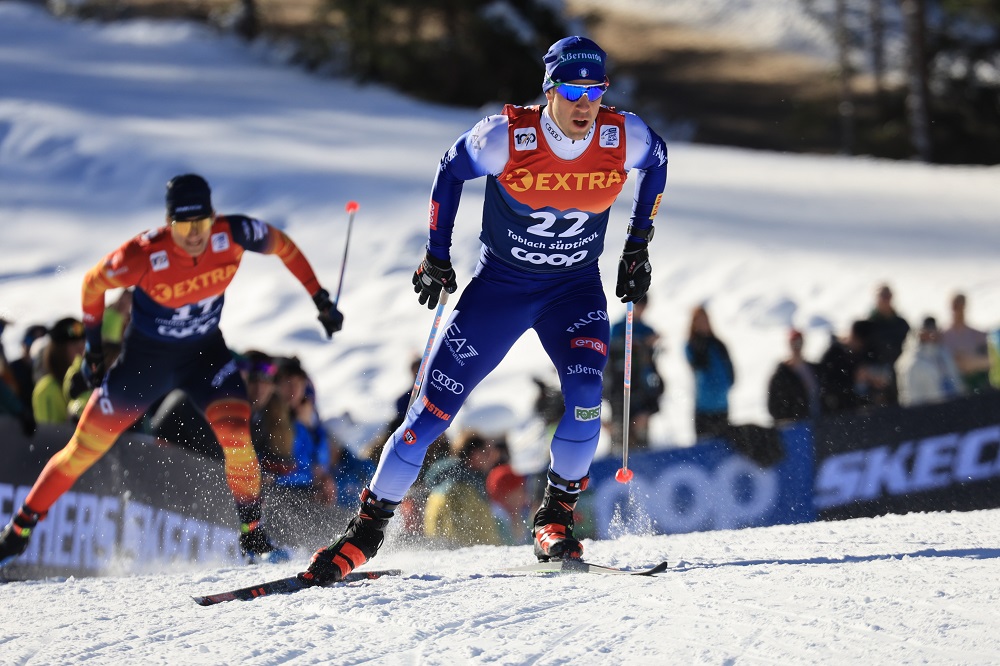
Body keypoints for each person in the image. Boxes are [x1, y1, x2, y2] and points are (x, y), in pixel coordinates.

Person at [302, 35, 668, 584]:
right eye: (572, 90)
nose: (584, 103)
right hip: (500, 290)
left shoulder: (623, 135)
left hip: (573, 291)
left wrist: (638, 243)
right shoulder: (507, 137)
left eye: (595, 91)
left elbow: (658, 160)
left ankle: (555, 517)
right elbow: (449, 172)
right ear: (549, 91)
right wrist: (435, 254)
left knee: (587, 396)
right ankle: (366, 529)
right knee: (429, 417)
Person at [0, 173, 344, 567]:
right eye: (183, 225)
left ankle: (253, 535)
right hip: (146, 364)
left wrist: (319, 298)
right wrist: (94, 350)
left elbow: (283, 246)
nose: (194, 234)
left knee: (237, 436)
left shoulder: (232, 233)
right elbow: (93, 285)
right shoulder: (144, 253)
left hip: (204, 357)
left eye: (201, 222)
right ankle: (18, 531)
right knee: (84, 448)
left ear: (213, 217)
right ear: (169, 224)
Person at [603, 297, 664, 452]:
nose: (640, 309)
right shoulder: (618, 328)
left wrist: (650, 407)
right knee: (619, 446)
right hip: (620, 394)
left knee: (642, 445)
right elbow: (610, 364)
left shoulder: (646, 329)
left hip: (641, 395)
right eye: (638, 305)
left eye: (643, 305)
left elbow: (652, 369)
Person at [423, 430, 503, 548]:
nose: (492, 458)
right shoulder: (461, 488)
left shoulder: (449, 482)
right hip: (465, 559)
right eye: (487, 453)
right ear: (475, 454)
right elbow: (464, 537)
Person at [685, 305, 734, 439]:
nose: (703, 324)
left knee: (724, 446)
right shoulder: (692, 345)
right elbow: (697, 364)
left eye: (705, 320)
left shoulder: (718, 344)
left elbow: (729, 369)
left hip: (722, 405)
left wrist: (727, 385)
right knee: (704, 447)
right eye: (700, 321)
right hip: (704, 407)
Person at [817, 320, 885, 414]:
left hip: (857, 413)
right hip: (835, 414)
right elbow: (826, 387)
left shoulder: (862, 356)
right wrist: (855, 381)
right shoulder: (834, 355)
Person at [899, 316, 965, 406]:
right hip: (927, 412)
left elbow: (957, 383)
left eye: (932, 331)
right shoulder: (911, 362)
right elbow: (911, 398)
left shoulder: (944, 354)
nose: (930, 336)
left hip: (952, 408)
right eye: (926, 332)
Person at [31, 317, 86, 424]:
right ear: (59, 351)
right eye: (74, 345)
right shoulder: (47, 388)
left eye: (83, 343)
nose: (81, 350)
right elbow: (51, 436)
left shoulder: (90, 381)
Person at [866, 283, 910, 406]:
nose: (885, 300)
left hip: (899, 373)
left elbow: (910, 348)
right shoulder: (869, 325)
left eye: (888, 296)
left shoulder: (901, 324)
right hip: (876, 378)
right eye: (882, 296)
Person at [767, 328, 820, 424]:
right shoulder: (781, 375)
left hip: (818, 421)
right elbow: (774, 406)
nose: (797, 347)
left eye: (799, 343)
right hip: (796, 426)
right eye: (794, 343)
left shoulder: (814, 369)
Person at [941, 292, 991, 394]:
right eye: (955, 306)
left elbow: (990, 360)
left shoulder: (978, 335)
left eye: (960, 306)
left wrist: (973, 363)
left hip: (976, 384)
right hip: (953, 387)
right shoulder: (942, 336)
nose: (958, 310)